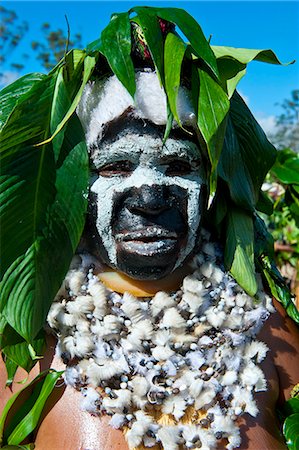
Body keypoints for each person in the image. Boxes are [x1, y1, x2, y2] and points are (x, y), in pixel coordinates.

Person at [0, 7, 298, 450]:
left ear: (211, 185)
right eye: (116, 166)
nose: (150, 198)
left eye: (178, 165)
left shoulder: (267, 329)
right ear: (71, 185)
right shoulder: (30, 345)